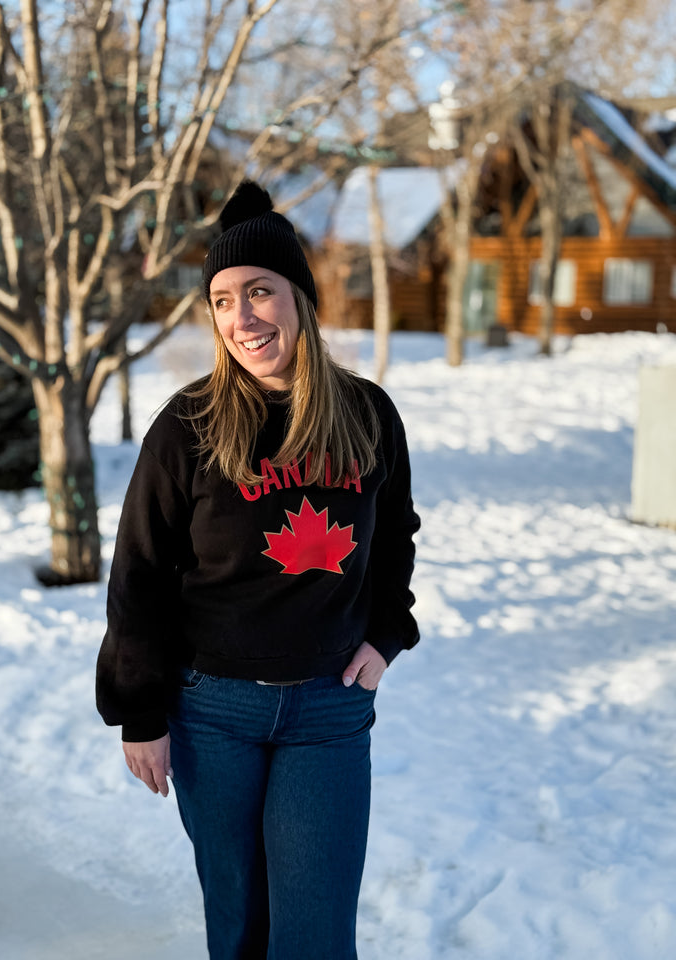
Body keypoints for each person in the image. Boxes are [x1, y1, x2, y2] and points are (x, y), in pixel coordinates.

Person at [95, 180, 420, 960]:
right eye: (222, 300)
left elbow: (394, 538)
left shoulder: (368, 414)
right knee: (239, 925)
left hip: (329, 709)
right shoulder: (190, 425)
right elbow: (140, 573)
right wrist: (140, 712)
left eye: (260, 292)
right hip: (213, 711)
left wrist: (387, 635)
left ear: (299, 298)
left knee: (315, 935)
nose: (242, 317)